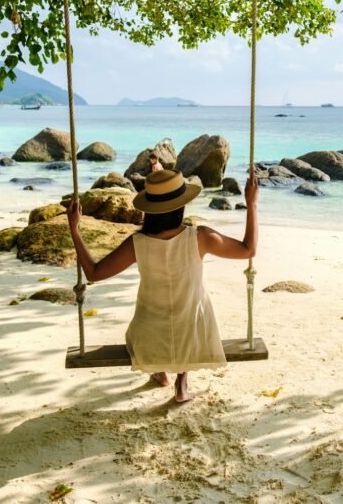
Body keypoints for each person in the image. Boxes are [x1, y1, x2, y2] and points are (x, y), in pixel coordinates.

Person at [67, 169, 258, 403]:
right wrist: (252, 204)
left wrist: (75, 230)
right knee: (188, 312)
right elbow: (248, 249)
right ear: (182, 205)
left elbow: (93, 273)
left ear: (150, 209)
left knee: (161, 322)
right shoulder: (201, 237)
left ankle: (161, 373)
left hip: (148, 342)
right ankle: (182, 384)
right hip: (194, 338)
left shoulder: (137, 243)